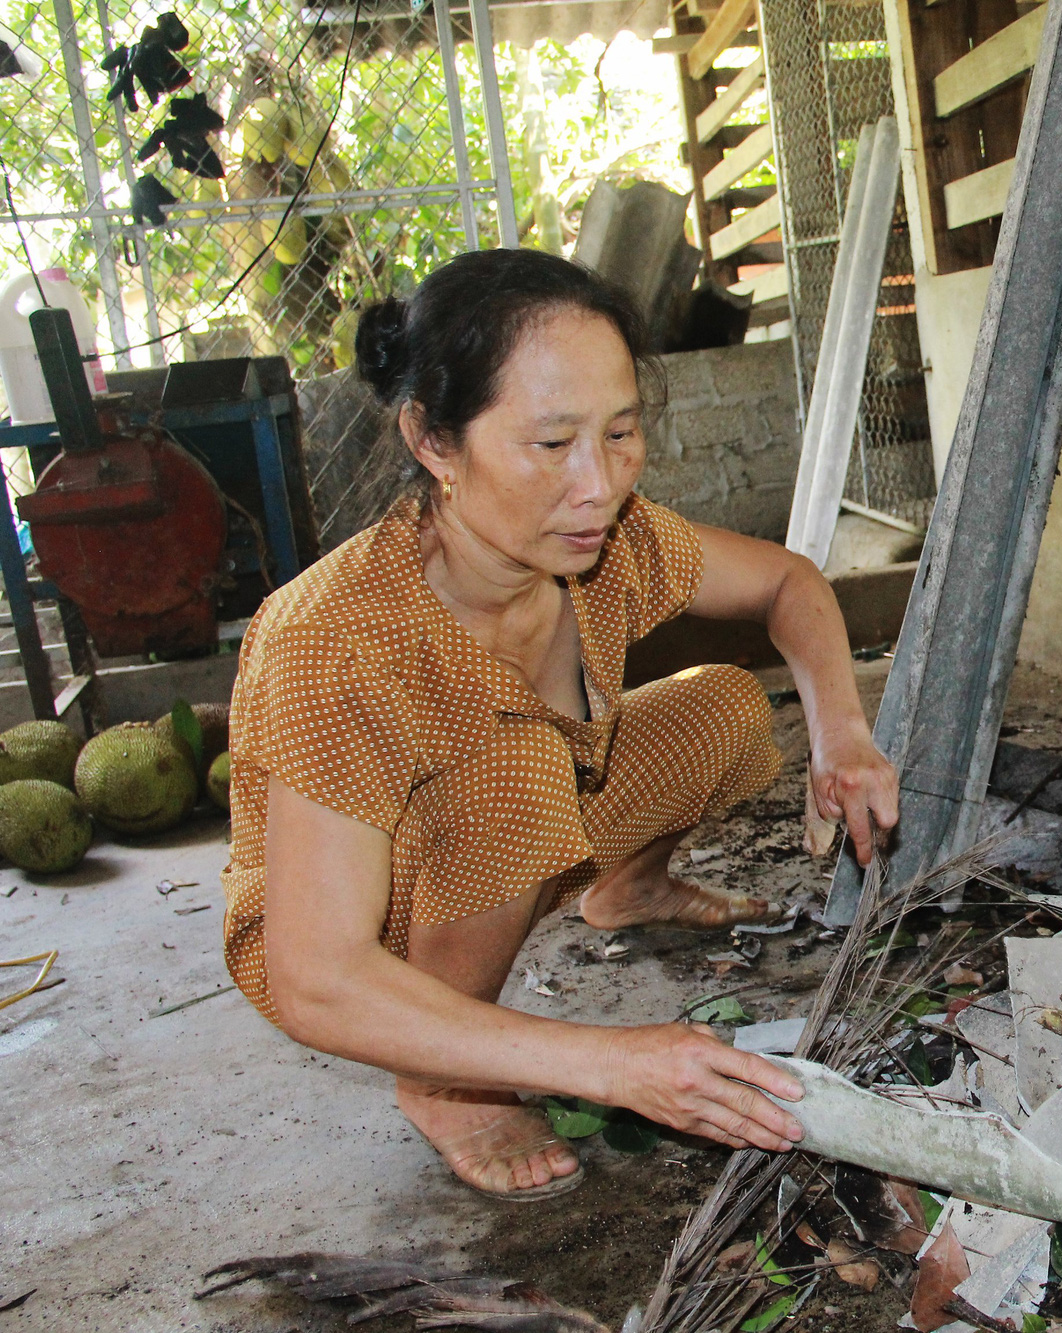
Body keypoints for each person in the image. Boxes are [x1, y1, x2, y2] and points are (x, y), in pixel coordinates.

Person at [219, 248, 899, 1200]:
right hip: (350, 919)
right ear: (433, 440)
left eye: (621, 432)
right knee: (519, 772)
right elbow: (316, 976)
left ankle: (624, 889)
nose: (600, 483)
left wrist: (842, 730)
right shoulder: (339, 643)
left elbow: (790, 584)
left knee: (727, 711)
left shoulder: (606, 541)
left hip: (532, 819)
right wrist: (610, 1063)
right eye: (552, 445)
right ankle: (451, 1079)